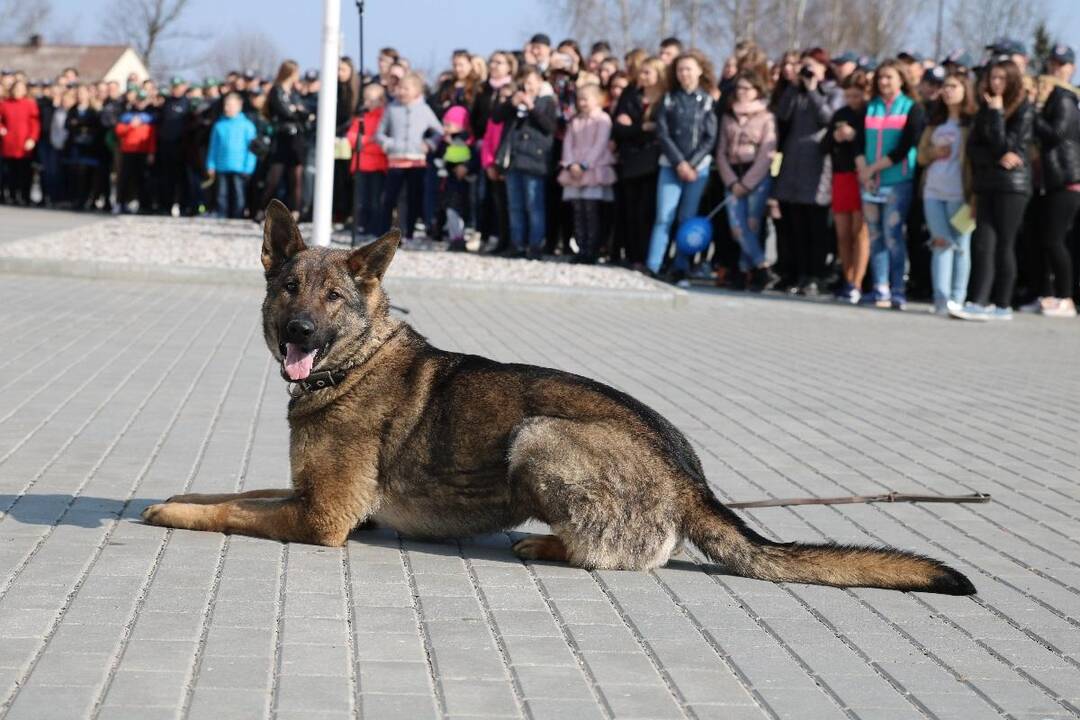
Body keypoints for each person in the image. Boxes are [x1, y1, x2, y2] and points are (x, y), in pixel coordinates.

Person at [956, 59, 1034, 321]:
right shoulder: (985, 109)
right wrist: (997, 156)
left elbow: (1009, 145)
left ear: (1012, 80)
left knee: (1004, 243)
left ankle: (1002, 304)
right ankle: (978, 301)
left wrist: (998, 114)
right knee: (983, 243)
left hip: (1013, 187)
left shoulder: (1023, 109)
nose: (995, 83)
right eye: (992, 77)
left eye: (1001, 78)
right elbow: (974, 149)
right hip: (987, 183)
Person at [856, 59, 926, 310]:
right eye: (881, 77)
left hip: (896, 181)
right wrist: (864, 169)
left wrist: (874, 169)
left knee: (893, 234)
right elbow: (859, 142)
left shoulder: (911, 108)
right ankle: (880, 287)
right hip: (869, 181)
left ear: (901, 79)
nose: (884, 82)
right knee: (875, 236)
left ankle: (898, 288)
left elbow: (906, 146)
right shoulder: (870, 107)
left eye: (890, 77)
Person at [772, 51, 841, 295]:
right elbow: (782, 116)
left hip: (817, 166)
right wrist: (794, 87)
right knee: (795, 224)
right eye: (804, 68)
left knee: (816, 226)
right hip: (792, 164)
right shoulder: (795, 92)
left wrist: (812, 90)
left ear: (824, 69)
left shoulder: (833, 92)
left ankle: (815, 274)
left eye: (812, 68)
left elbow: (828, 119)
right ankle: (798, 273)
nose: (807, 73)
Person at [646, 50, 718, 285]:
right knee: (663, 216)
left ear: (699, 71)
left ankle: (680, 267)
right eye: (680, 69)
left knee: (687, 219)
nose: (684, 73)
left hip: (698, 169)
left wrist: (692, 164)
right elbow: (663, 133)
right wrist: (679, 163)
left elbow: (710, 137)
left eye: (689, 69)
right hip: (671, 166)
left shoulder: (707, 101)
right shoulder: (668, 99)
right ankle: (654, 265)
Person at [1026, 45, 1080, 317]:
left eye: (1062, 64)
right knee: (1043, 240)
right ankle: (1047, 295)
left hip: (1066, 180)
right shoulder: (1050, 99)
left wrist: (1034, 115)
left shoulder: (1065, 98)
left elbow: (1057, 133)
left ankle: (1066, 297)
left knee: (1056, 240)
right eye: (1052, 64)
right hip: (1049, 180)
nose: (1055, 69)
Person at [916, 70, 976, 315]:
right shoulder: (935, 122)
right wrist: (933, 153)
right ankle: (941, 299)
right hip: (933, 191)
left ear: (965, 91)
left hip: (960, 192)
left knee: (961, 244)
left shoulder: (971, 124)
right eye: (946, 87)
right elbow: (920, 156)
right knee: (940, 243)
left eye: (954, 86)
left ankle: (957, 298)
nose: (948, 91)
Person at [716, 70, 778, 291]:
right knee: (736, 226)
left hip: (756, 175)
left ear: (757, 91)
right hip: (732, 174)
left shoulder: (766, 117)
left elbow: (767, 153)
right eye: (738, 88)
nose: (741, 93)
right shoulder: (728, 115)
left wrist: (748, 183)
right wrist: (733, 182)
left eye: (746, 88)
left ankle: (745, 270)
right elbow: (721, 151)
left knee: (752, 224)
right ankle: (762, 266)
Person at [492, 65, 558, 259]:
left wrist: (532, 107)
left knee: (534, 205)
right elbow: (496, 118)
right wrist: (511, 104)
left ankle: (535, 245)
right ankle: (517, 244)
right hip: (514, 160)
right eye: (524, 83)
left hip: (535, 161)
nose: (527, 87)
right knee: (515, 205)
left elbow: (550, 127)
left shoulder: (547, 102)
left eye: (530, 82)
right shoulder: (515, 102)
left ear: (539, 82)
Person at [375, 71, 442, 241]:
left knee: (413, 198)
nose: (401, 91)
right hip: (395, 161)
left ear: (417, 91)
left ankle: (409, 233)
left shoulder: (424, 109)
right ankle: (382, 232)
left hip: (417, 162)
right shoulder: (392, 108)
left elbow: (439, 131)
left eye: (406, 88)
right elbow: (379, 133)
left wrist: (429, 144)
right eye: (399, 88)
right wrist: (388, 144)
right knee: (389, 198)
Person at [822, 71, 869, 303]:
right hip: (841, 176)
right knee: (842, 233)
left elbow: (871, 141)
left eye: (856, 95)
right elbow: (824, 146)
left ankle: (858, 282)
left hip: (861, 174)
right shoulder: (840, 114)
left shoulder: (870, 113)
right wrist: (836, 137)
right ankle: (847, 278)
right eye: (848, 95)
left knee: (859, 232)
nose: (852, 100)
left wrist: (855, 136)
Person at [558, 84, 616, 264]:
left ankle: (593, 248)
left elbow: (600, 144)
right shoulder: (575, 121)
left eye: (586, 99)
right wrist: (570, 164)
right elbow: (568, 143)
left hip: (594, 169)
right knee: (578, 211)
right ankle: (581, 247)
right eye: (580, 99)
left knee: (592, 211)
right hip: (574, 169)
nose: (582, 103)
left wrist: (584, 165)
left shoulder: (603, 119)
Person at [257, 60, 310, 221]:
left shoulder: (294, 92)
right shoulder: (277, 91)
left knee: (296, 178)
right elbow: (286, 112)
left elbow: (305, 112)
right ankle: (261, 210)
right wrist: (297, 111)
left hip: (296, 139)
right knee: (273, 178)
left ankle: (295, 212)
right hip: (282, 139)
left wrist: (298, 111)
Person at [346, 82, 388, 244]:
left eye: (372, 100)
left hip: (377, 167)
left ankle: (374, 229)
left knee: (375, 200)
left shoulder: (383, 118)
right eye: (366, 100)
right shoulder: (361, 118)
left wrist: (363, 144)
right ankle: (361, 227)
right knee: (361, 199)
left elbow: (380, 145)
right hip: (360, 165)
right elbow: (351, 139)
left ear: (381, 100)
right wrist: (367, 141)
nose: (368, 103)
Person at [206, 92, 257, 219]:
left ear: (239, 106)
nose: (227, 108)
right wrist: (210, 164)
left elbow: (252, 150)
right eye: (226, 105)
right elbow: (213, 147)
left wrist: (248, 167)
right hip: (221, 166)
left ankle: (238, 216)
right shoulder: (219, 125)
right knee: (221, 194)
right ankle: (222, 215)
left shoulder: (247, 126)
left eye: (231, 105)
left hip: (240, 166)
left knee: (239, 194)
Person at [432, 105, 474, 251]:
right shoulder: (445, 140)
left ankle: (459, 238)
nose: (446, 128)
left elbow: (467, 157)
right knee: (449, 210)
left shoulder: (466, 139)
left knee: (457, 210)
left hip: (461, 182)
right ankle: (453, 237)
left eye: (449, 124)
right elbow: (439, 156)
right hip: (448, 181)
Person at [114, 90, 158, 213]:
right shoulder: (127, 115)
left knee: (143, 179)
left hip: (143, 151)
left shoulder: (151, 115)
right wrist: (131, 126)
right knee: (125, 178)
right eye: (139, 100)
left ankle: (144, 205)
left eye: (143, 100)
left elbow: (152, 136)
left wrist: (151, 152)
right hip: (128, 150)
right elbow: (119, 131)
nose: (140, 103)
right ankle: (120, 203)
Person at [0, 79, 41, 205]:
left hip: (24, 143)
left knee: (24, 172)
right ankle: (11, 195)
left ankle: (24, 196)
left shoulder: (30, 104)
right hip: (9, 143)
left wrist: (32, 138)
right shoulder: (5, 104)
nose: (17, 92)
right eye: (15, 89)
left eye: (20, 89)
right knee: (10, 172)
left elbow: (35, 123)